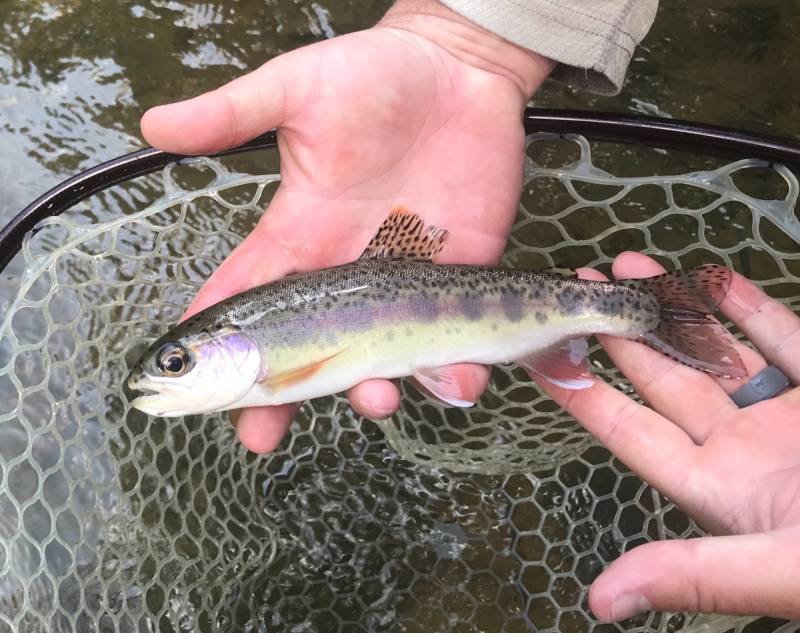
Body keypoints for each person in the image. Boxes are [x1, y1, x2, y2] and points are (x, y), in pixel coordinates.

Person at [139, 0, 800, 624]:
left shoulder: (274, 367)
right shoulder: (266, 362)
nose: (166, 374)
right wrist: (469, 40)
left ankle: (650, 309)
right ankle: (652, 308)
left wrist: (466, 39)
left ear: (225, 340)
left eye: (176, 362)